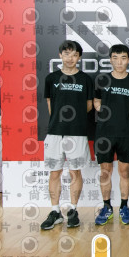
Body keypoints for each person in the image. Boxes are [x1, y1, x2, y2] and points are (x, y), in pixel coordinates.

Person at [41, 40, 94, 230]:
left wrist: (74, 119)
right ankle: (55, 211)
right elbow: (50, 105)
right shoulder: (51, 78)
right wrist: (60, 121)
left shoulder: (85, 79)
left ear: (79, 57)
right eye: (66, 54)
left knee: (74, 172)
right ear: (60, 55)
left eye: (74, 54)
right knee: (54, 172)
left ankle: (73, 210)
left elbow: (89, 106)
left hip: (77, 133)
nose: (70, 58)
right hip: (55, 132)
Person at [93, 44, 129, 226]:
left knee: (124, 171)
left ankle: (124, 206)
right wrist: (106, 113)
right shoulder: (102, 79)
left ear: (128, 60)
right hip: (104, 133)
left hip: (126, 133)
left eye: (123, 58)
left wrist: (124, 117)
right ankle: (106, 207)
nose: (119, 62)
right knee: (105, 171)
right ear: (110, 59)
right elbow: (96, 101)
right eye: (115, 58)